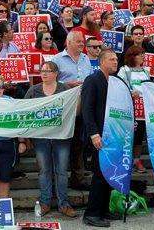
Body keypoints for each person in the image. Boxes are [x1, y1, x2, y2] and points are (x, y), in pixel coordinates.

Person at [24, 61, 77, 218]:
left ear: (56, 74)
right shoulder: (34, 90)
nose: (44, 73)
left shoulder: (64, 89)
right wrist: (25, 137)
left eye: (48, 71)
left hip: (61, 137)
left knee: (61, 171)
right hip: (41, 137)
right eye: (42, 70)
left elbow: (73, 110)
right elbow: (24, 111)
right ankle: (45, 203)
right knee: (44, 170)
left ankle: (64, 204)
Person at [82, 49, 122, 227]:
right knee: (99, 175)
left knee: (109, 174)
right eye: (112, 59)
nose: (115, 62)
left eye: (116, 59)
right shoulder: (92, 80)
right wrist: (94, 134)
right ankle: (92, 213)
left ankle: (104, 209)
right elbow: (87, 109)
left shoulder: (114, 81)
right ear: (102, 62)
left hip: (112, 134)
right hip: (99, 135)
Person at [52, 31, 92, 190]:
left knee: (79, 144)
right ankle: (58, 180)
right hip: (64, 107)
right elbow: (50, 83)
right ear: (68, 43)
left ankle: (78, 179)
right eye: (79, 42)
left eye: (83, 42)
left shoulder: (86, 59)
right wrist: (68, 84)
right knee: (61, 144)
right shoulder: (57, 59)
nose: (82, 44)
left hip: (81, 105)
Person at [117, 46, 149, 174]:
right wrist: (130, 92)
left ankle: (136, 160)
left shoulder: (146, 71)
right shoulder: (124, 70)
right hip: (129, 106)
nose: (142, 57)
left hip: (143, 108)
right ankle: (125, 159)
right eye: (139, 54)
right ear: (132, 56)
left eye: (143, 54)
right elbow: (118, 87)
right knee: (128, 134)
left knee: (139, 135)